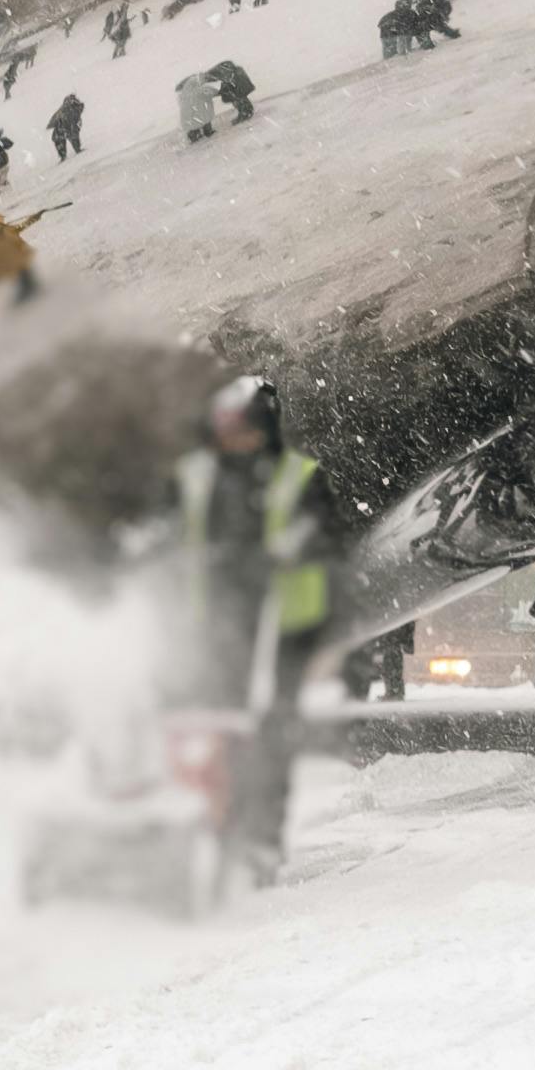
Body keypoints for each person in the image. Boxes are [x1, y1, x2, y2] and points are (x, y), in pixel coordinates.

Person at [168, 370, 335, 877]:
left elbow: (319, 529)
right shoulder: (196, 476)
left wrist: (287, 549)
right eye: (228, 430)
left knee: (268, 734)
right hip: (219, 623)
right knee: (215, 730)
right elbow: (170, 528)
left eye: (245, 430)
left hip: (282, 628)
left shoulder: (299, 476)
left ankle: (260, 839)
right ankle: (216, 828)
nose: (236, 440)